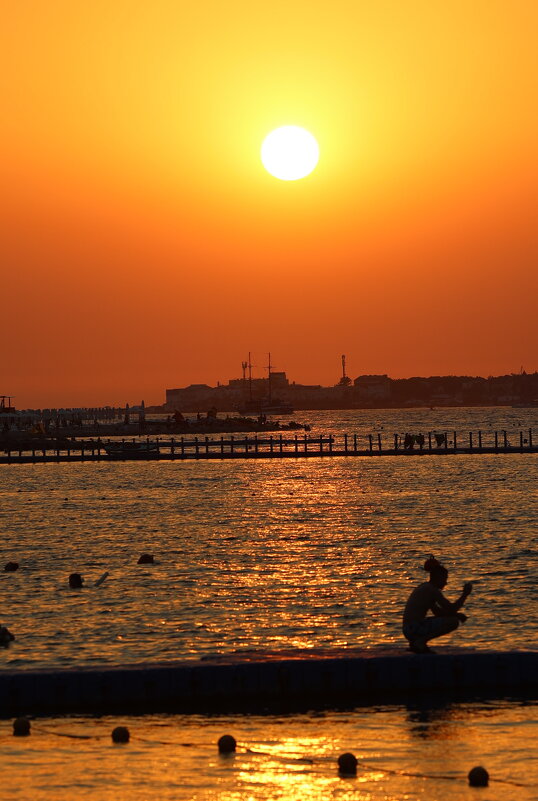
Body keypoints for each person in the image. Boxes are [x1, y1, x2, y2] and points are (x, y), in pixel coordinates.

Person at [402, 556, 472, 653]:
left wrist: (457, 615)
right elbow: (451, 609)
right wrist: (465, 594)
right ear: (438, 578)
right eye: (445, 579)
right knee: (453, 622)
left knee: (452, 618)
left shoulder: (426, 587)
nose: (446, 583)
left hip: (409, 629)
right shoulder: (432, 590)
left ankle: (416, 643)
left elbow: (438, 613)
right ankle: (420, 642)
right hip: (413, 628)